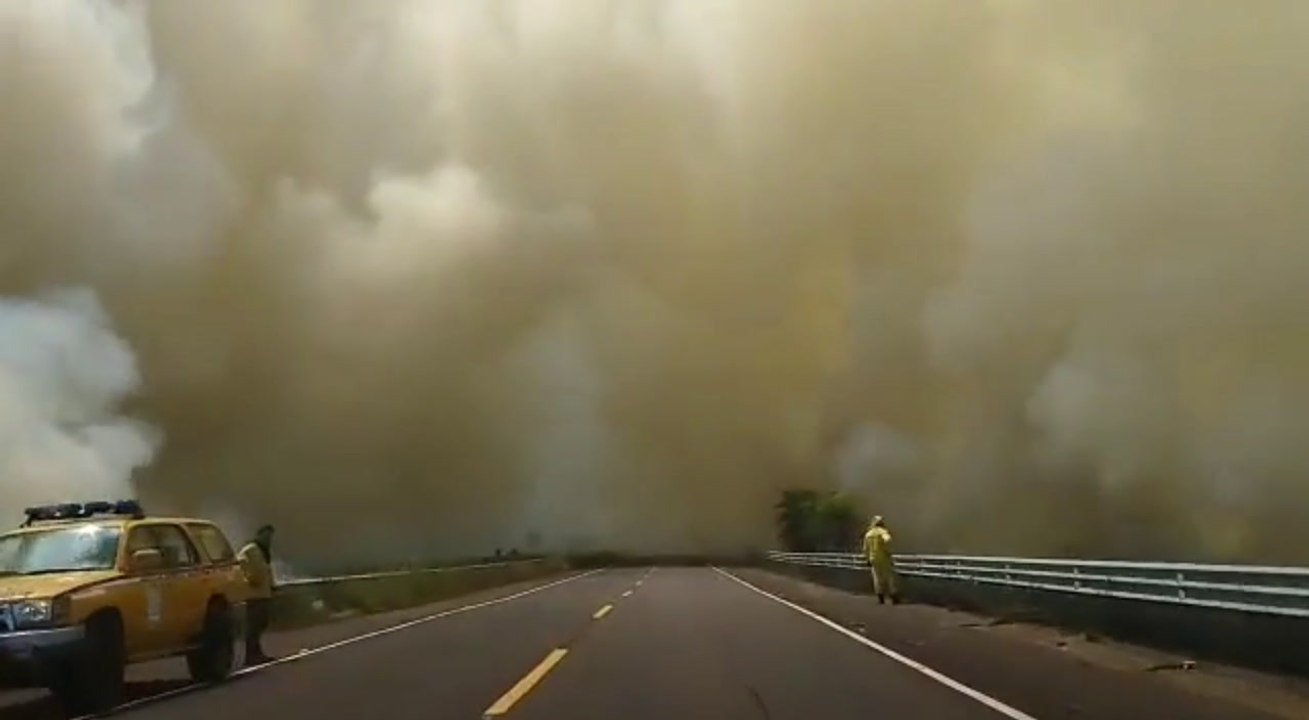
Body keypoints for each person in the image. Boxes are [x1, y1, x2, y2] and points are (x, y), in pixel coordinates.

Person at [238, 524, 277, 666]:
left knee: (261, 623)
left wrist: (272, 585)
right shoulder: (251, 550)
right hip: (253, 594)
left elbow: (266, 570)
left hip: (263, 593)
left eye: (270, 536)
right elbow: (243, 568)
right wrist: (253, 580)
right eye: (266, 535)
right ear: (259, 534)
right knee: (254, 625)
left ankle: (257, 653)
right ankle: (250, 656)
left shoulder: (262, 551)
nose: (268, 539)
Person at [862, 516, 901, 605]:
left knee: (877, 578)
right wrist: (887, 549)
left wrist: (867, 559)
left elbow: (865, 549)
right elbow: (888, 539)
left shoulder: (868, 534)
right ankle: (894, 596)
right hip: (883, 558)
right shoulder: (882, 531)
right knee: (889, 577)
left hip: (873, 558)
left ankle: (880, 597)